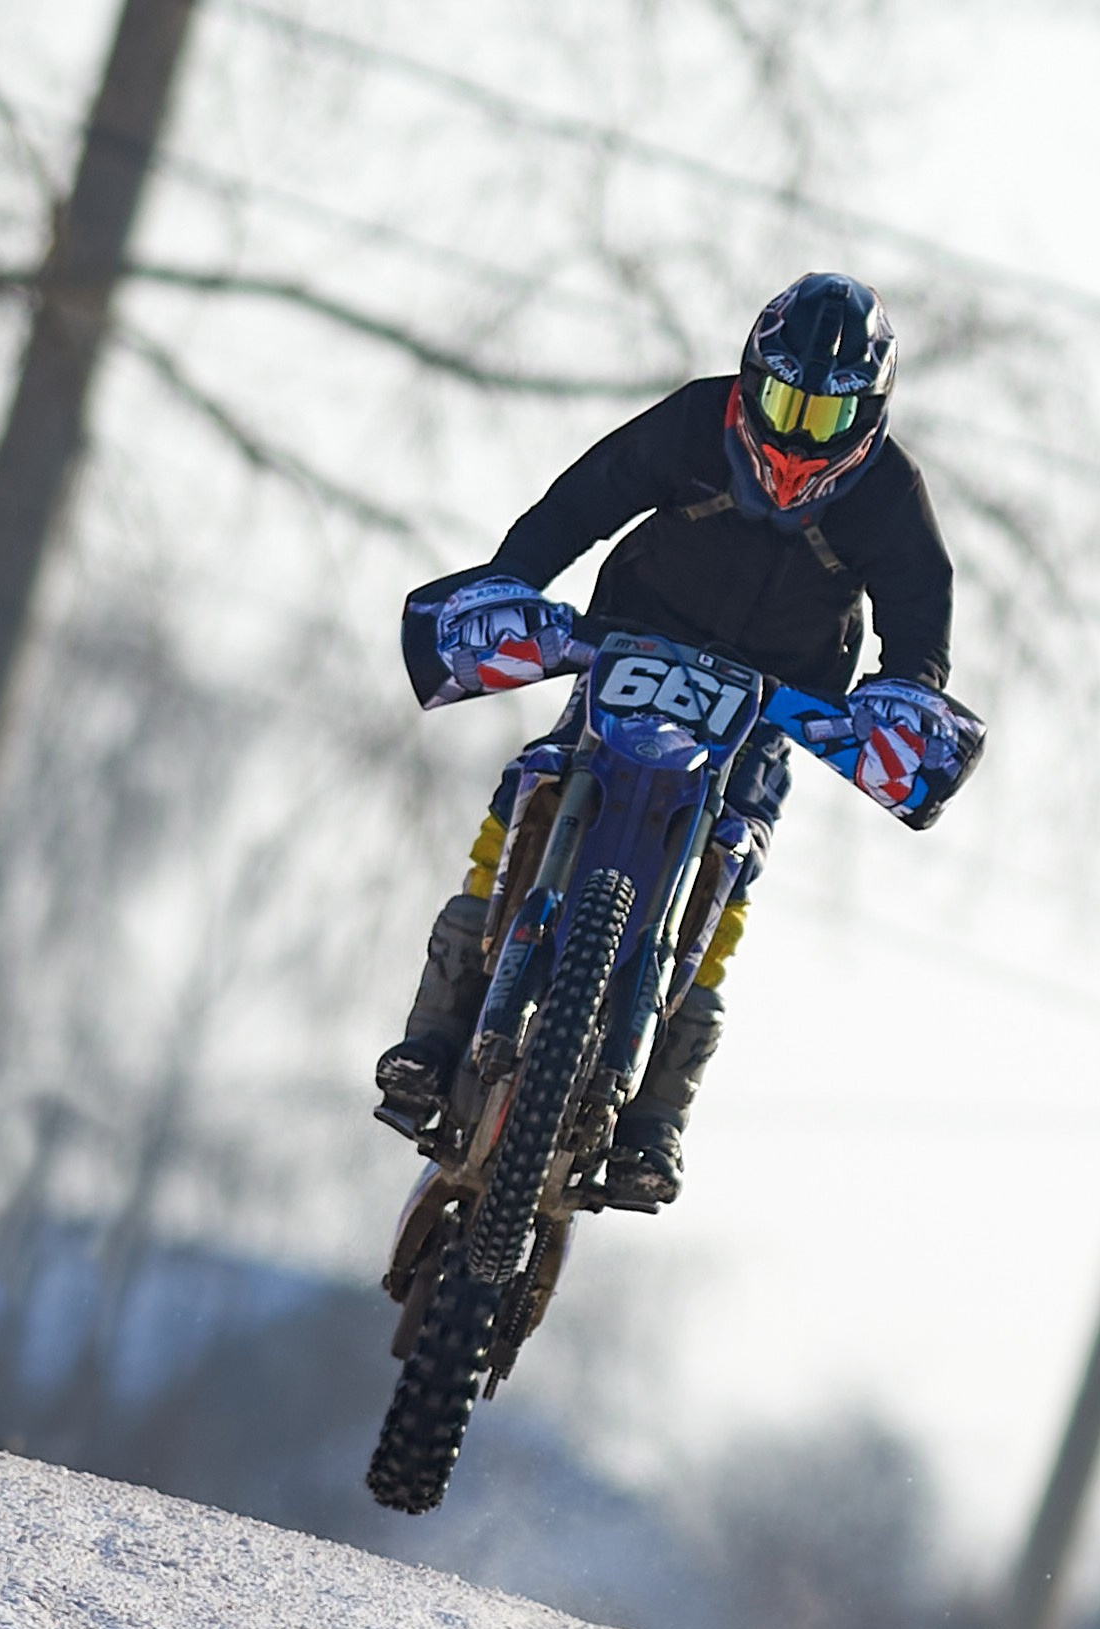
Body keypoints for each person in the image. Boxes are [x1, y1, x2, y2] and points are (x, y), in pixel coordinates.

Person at [374, 272, 974, 1205]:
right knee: (534, 780)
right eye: (785, 404)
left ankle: (657, 1116)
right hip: (632, 643)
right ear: (750, 382)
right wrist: (511, 580)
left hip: (773, 701)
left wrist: (905, 698)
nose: (797, 435)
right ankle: (435, 1029)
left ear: (866, 416)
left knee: (735, 857)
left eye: (822, 417)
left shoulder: (891, 494)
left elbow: (919, 616)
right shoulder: (697, 419)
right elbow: (582, 502)